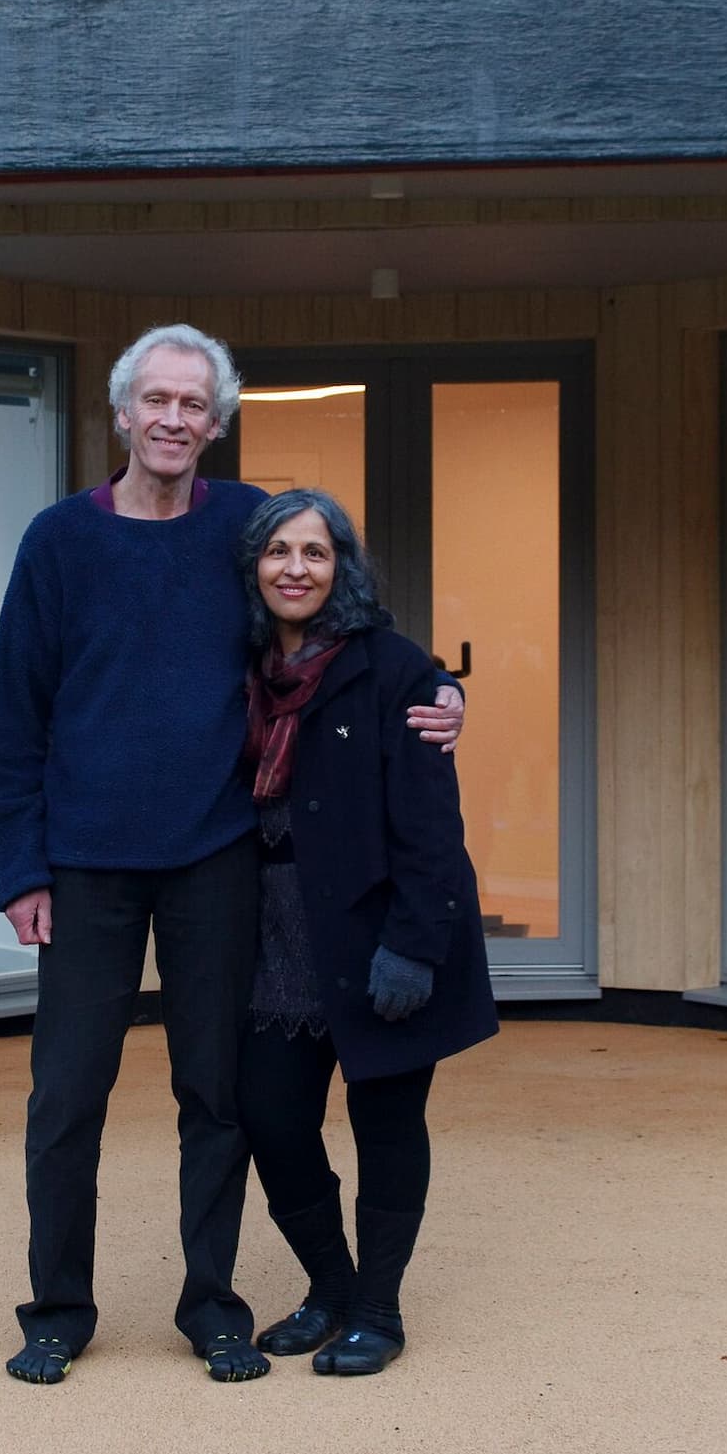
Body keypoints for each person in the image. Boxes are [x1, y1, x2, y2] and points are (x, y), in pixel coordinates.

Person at [0, 325, 463, 1387]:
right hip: (86, 865)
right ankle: (57, 1306)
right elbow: (13, 713)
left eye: (194, 404)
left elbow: (353, 621)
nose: (173, 419)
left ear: (219, 419)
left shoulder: (248, 525)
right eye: (156, 399)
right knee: (66, 1097)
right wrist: (18, 869)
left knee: (218, 1096)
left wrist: (443, 692)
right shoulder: (59, 539)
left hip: (215, 856)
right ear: (122, 413)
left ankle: (212, 1304)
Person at [234, 487, 498, 1376]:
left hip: (379, 940)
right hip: (272, 942)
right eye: (278, 551)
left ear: (342, 566)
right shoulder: (236, 667)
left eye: (315, 552)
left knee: (387, 1126)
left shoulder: (397, 670)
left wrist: (417, 947)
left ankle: (378, 1311)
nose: (295, 568)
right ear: (254, 566)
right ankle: (331, 1289)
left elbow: (432, 828)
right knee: (272, 1120)